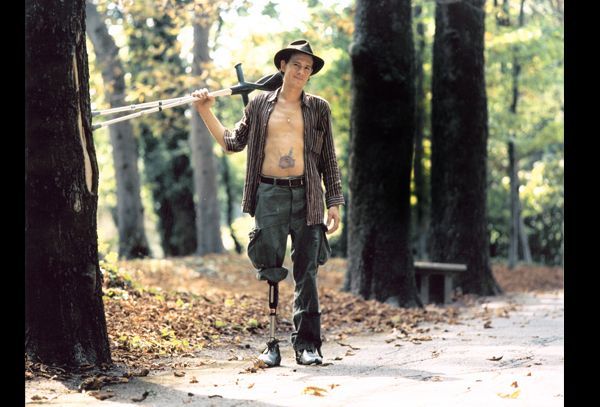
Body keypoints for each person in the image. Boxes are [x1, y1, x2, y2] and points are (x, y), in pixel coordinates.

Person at [192, 39, 345, 366]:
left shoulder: (319, 108)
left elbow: (329, 159)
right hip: (269, 195)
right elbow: (232, 143)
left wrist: (334, 201)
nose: (302, 72)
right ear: (283, 67)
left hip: (309, 196)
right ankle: (272, 343)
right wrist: (205, 110)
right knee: (271, 270)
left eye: (307, 68)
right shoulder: (259, 105)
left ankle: (307, 346)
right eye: (296, 66)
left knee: (308, 272)